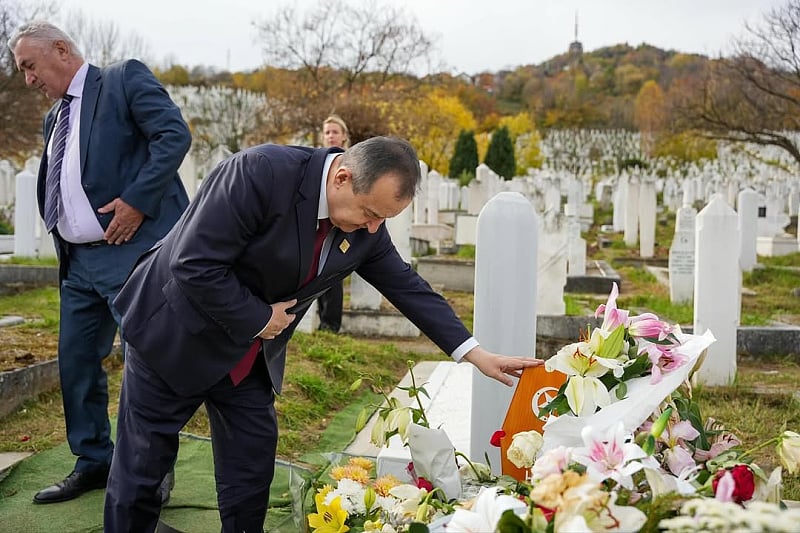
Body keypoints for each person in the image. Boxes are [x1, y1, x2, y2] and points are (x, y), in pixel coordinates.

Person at [104, 136, 543, 532]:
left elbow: (407, 287)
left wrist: (473, 353)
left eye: (383, 219)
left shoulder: (366, 227)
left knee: (250, 471)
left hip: (247, 356)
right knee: (142, 471)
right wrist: (259, 317)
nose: (374, 228)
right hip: (175, 332)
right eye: (371, 213)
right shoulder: (260, 172)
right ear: (343, 176)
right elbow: (192, 264)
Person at [8, 21, 191, 505]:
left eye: (29, 66)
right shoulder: (55, 118)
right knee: (77, 364)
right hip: (78, 265)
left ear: (61, 50)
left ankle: (150, 471)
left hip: (132, 254)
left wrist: (136, 201)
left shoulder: (123, 79)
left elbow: (173, 137)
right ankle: (93, 461)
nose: (27, 79)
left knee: (146, 364)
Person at [316, 114, 349, 332]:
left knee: (333, 274)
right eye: (327, 132)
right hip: (322, 224)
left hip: (343, 224)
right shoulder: (319, 159)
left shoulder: (351, 160)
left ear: (344, 136)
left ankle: (332, 323)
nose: (330, 136)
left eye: (335, 131)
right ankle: (323, 321)